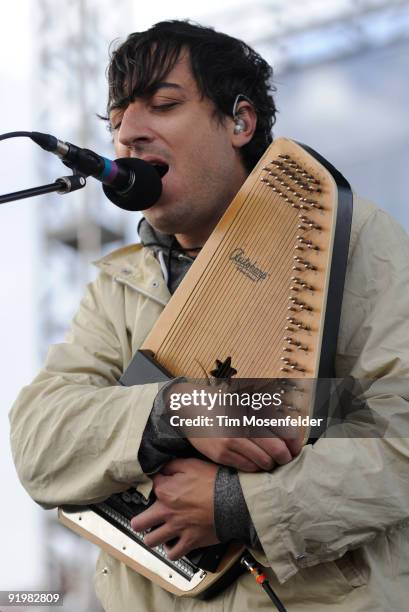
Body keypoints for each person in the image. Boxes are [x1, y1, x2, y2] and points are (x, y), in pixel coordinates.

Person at [9, 20, 409, 612]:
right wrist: (176, 409)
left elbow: (396, 428)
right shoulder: (122, 279)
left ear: (239, 122)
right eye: (117, 120)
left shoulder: (355, 240)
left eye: (163, 105)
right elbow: (38, 441)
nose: (129, 135)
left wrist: (235, 505)